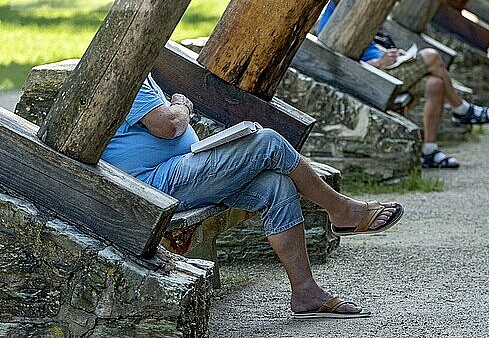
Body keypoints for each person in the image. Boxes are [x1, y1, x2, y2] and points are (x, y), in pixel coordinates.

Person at [101, 74, 404, 319]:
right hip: (153, 186)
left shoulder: (141, 72)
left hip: (175, 175)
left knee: (275, 186)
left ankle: (305, 292)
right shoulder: (124, 72)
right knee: (268, 142)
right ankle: (343, 211)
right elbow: (168, 125)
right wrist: (182, 105)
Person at [317, 0, 489, 169]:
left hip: (387, 67)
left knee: (435, 84)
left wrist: (389, 53)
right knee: (431, 56)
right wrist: (379, 62)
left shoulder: (350, 12)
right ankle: (461, 109)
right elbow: (340, 65)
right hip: (377, 75)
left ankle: (429, 151)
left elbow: (365, 45)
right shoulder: (330, 20)